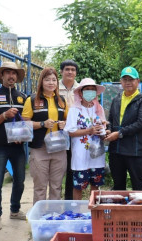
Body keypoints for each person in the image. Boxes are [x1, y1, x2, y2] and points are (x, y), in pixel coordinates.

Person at [0, 61, 27, 230]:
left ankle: (15, 210)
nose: (11, 76)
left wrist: (23, 137)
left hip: (18, 147)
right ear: (1, 76)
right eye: (8, 72)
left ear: (17, 77)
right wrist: (4, 115)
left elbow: (26, 123)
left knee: (20, 180)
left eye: (14, 73)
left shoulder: (23, 97)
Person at [22, 67, 68, 204]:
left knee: (56, 186)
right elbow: (24, 125)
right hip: (39, 148)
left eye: (54, 80)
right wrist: (42, 124)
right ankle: (40, 219)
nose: (51, 83)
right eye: (47, 79)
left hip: (59, 148)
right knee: (40, 187)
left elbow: (69, 121)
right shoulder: (32, 100)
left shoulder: (62, 101)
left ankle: (53, 218)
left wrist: (65, 124)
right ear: (41, 81)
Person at [105, 66, 142, 190]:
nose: (128, 82)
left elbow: (141, 122)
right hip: (116, 150)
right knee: (118, 186)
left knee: (138, 186)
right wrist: (109, 129)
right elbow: (110, 119)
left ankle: (139, 210)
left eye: (131, 79)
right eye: (125, 79)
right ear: (121, 81)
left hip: (134, 151)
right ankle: (119, 210)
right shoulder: (117, 99)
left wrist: (119, 133)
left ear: (138, 81)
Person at [64, 78, 106, 199]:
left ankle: (94, 211)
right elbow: (70, 131)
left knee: (95, 185)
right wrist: (89, 131)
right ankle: (77, 212)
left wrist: (104, 132)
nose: (90, 92)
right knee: (79, 186)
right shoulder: (74, 110)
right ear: (81, 93)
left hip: (96, 154)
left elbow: (102, 127)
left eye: (93, 90)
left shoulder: (99, 108)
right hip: (80, 155)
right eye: (87, 89)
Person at [59, 59, 79, 200]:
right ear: (61, 71)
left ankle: (69, 200)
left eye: (73, 69)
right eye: (67, 69)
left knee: (72, 169)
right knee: (58, 169)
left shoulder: (80, 89)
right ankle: (54, 199)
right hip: (58, 133)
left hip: (76, 134)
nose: (70, 72)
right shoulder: (54, 87)